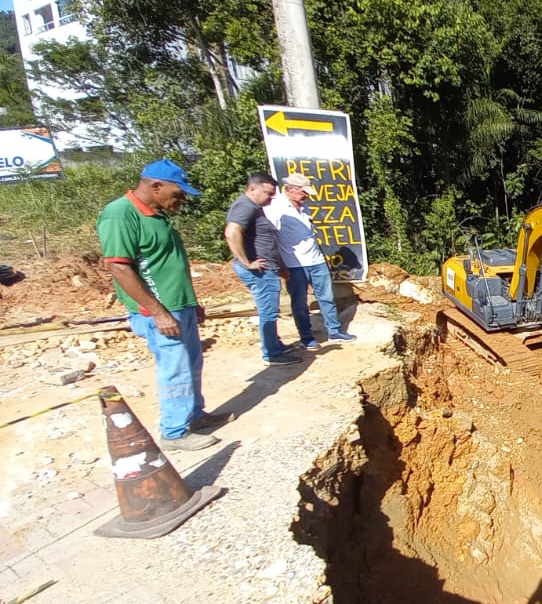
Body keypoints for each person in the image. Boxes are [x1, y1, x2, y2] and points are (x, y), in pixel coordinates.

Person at [97, 160, 232, 451]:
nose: (181, 199)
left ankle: (195, 416)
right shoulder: (120, 215)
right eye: (178, 193)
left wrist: (191, 302)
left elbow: (168, 264)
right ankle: (174, 432)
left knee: (191, 362)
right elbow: (120, 268)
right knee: (175, 368)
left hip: (179, 305)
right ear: (155, 186)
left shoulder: (157, 216)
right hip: (159, 311)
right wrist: (158, 312)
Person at [263, 172, 356, 349]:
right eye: (303, 192)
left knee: (327, 297)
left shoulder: (303, 207)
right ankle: (307, 337)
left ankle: (335, 331)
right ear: (291, 189)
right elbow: (272, 239)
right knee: (299, 303)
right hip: (294, 264)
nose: (306, 196)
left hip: (316, 261)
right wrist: (280, 265)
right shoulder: (275, 209)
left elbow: (309, 236)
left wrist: (322, 256)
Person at [225, 172, 300, 366]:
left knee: (270, 310)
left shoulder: (254, 207)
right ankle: (272, 353)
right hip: (260, 271)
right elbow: (232, 232)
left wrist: (280, 266)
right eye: (267, 193)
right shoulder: (245, 206)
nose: (271, 197)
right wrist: (246, 262)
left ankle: (274, 344)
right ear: (252, 189)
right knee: (268, 311)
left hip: (267, 268)